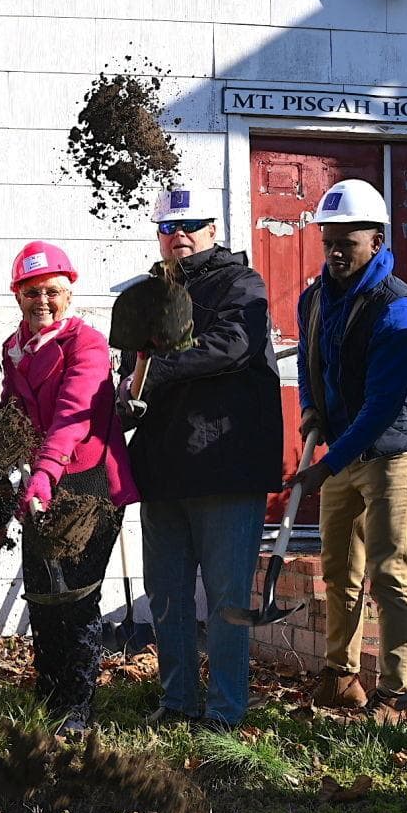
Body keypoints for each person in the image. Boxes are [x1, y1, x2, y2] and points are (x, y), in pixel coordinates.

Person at [120, 188, 283, 730]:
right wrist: (122, 401)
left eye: (192, 223)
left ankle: (225, 711)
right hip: (163, 471)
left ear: (214, 229)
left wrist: (157, 370)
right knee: (166, 597)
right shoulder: (150, 296)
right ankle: (177, 702)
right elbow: (133, 375)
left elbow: (233, 345)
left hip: (224, 467)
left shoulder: (242, 285)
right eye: (169, 226)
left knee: (227, 600)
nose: (179, 234)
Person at [292, 179, 407, 710]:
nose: (334, 251)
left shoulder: (399, 309)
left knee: (389, 571)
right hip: (343, 453)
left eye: (347, 242)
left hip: (392, 453)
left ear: (376, 241)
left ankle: (397, 692)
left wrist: (328, 465)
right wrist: (310, 411)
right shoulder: (314, 298)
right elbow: (311, 364)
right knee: (338, 570)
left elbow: (383, 405)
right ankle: (341, 673)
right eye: (328, 239)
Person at [2, 240, 139, 734]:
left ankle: (78, 708)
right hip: (42, 482)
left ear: (69, 294)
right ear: (17, 295)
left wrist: (43, 472)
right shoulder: (13, 349)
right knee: (41, 591)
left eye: (53, 292)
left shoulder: (87, 344)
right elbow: (15, 415)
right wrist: (8, 463)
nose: (43, 301)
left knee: (76, 595)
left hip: (89, 483)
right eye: (32, 292)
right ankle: (50, 691)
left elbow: (72, 417)